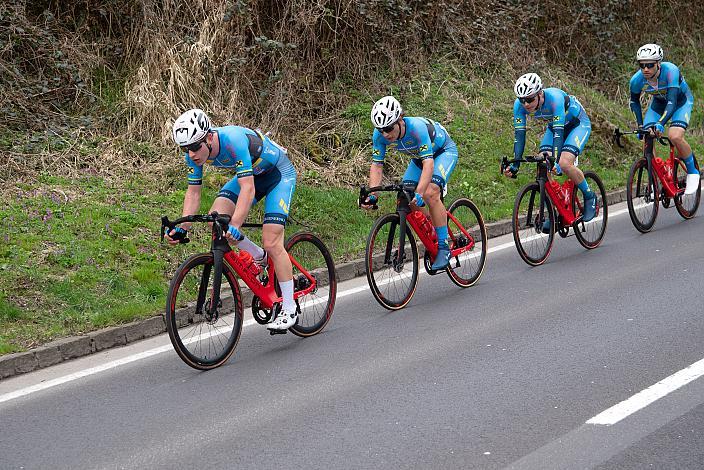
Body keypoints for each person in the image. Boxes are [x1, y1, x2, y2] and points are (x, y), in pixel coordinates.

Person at [166, 108, 298, 332]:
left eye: (195, 147)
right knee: (214, 221)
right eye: (185, 149)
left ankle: (289, 306)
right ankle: (259, 256)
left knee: (272, 241)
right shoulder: (194, 153)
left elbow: (248, 188)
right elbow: (193, 192)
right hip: (251, 175)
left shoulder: (233, 140)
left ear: (209, 137)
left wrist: (236, 224)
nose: (192, 154)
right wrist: (183, 227)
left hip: (278, 174)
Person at [360, 95, 458, 270]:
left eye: (388, 128)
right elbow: (377, 165)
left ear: (400, 120)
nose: (385, 134)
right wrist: (373, 194)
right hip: (419, 159)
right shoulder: (380, 135)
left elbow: (429, 164)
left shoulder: (416, 129)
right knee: (406, 196)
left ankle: (444, 247)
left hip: (443, 152)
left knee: (430, 192)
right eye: (380, 129)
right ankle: (433, 226)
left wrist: (421, 192)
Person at [504, 73, 597, 228]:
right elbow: (519, 136)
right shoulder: (518, 107)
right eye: (522, 100)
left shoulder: (555, 100)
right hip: (554, 128)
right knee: (542, 165)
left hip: (578, 125)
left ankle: (589, 196)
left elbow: (559, 135)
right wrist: (516, 164)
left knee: (565, 163)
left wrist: (556, 162)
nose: (526, 104)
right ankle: (554, 210)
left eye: (530, 99)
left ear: (540, 93)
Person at [629, 43, 699, 194]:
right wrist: (641, 125)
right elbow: (634, 102)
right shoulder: (636, 80)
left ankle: (693, 172)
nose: (645, 69)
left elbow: (672, 101)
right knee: (647, 136)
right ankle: (654, 179)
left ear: (658, 64)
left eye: (650, 65)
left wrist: (661, 123)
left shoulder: (670, 71)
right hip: (658, 105)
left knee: (675, 136)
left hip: (680, 103)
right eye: (642, 65)